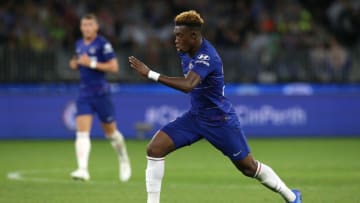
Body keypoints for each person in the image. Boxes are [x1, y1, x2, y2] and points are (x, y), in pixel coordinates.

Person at [129, 10, 301, 203]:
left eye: (179, 35)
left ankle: (292, 196)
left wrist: (150, 74)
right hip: (196, 117)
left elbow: (188, 85)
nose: (175, 40)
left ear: (193, 36)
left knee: (248, 168)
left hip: (220, 120)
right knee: (154, 149)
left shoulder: (207, 57)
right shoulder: (185, 52)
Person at [69, 14, 131, 182]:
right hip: (84, 94)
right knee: (82, 133)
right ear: (81, 27)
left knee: (111, 134)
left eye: (90, 25)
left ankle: (123, 159)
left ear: (96, 27)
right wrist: (74, 63)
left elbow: (114, 66)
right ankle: (82, 169)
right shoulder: (79, 44)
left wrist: (92, 64)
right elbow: (77, 60)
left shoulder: (103, 44)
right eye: (84, 25)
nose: (87, 28)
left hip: (101, 93)